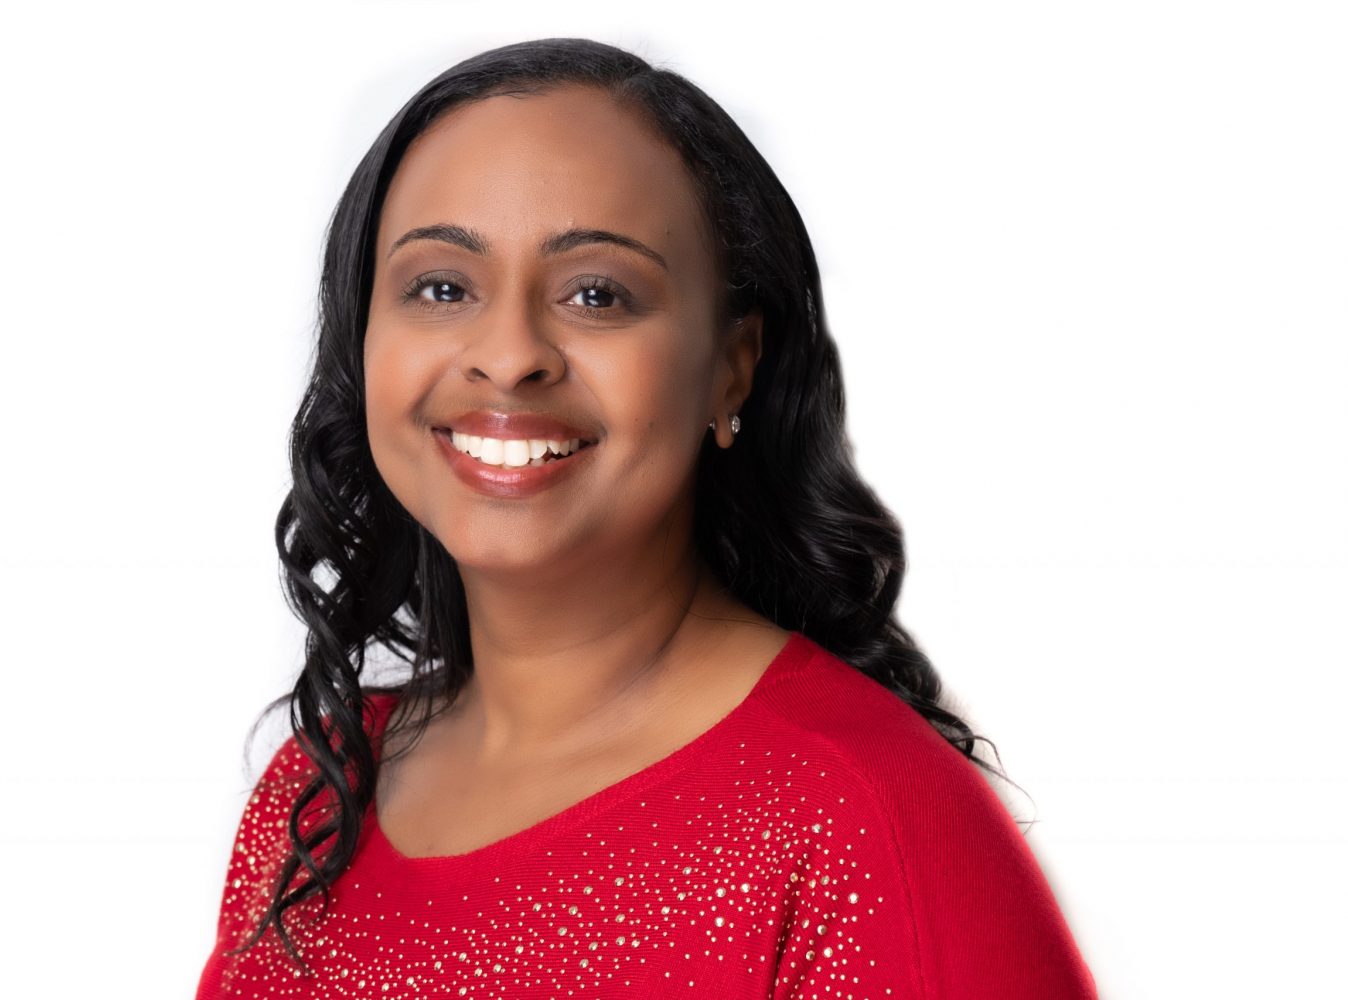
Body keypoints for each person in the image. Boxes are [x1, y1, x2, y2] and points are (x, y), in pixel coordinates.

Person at [195, 37, 1098, 999]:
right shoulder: (316, 796)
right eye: (443, 287)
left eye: (597, 294)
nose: (509, 355)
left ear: (731, 368)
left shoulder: (866, 816)